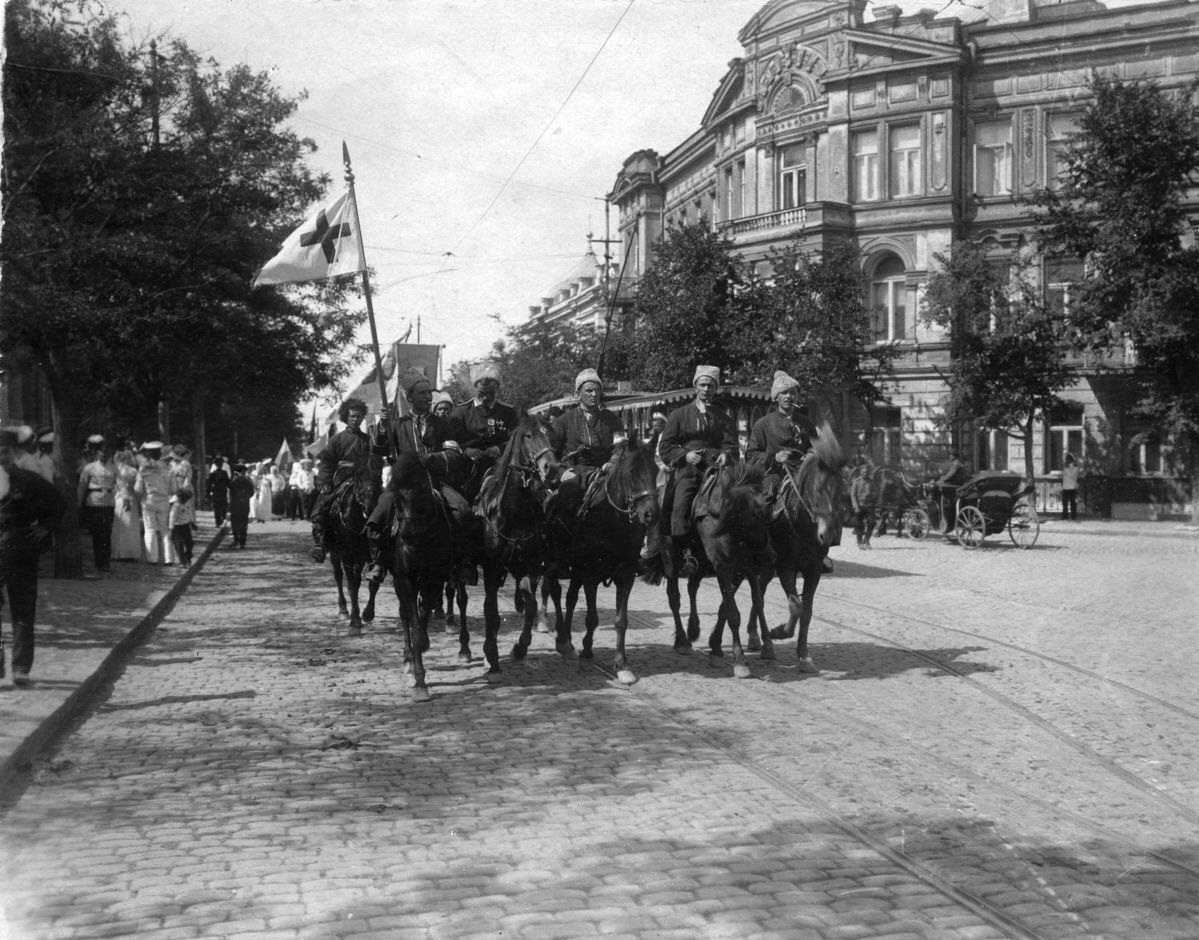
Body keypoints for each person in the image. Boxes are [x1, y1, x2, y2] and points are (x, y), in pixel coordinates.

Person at [363, 369, 471, 584]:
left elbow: (453, 453)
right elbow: (379, 451)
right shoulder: (397, 424)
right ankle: (379, 562)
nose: (427, 397)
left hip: (434, 482)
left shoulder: (443, 424)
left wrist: (432, 459)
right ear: (409, 397)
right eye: (422, 393)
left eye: (428, 393)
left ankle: (460, 564)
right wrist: (384, 430)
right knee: (377, 516)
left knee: (463, 510)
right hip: (403, 485)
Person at [656, 364, 739, 577]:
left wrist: (726, 454)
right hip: (689, 469)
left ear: (716, 388)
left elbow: (731, 444)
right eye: (702, 385)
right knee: (680, 504)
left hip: (717, 469)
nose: (706, 389)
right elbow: (665, 446)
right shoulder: (679, 415)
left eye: (710, 386)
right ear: (695, 386)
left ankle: (738, 552)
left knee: (740, 502)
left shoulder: (723, 416)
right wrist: (685, 456)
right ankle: (683, 553)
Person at [0, 426, 61, 688]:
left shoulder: (27, 480)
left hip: (20, 551)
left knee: (23, 610)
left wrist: (44, 528)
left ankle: (21, 668)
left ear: (13, 452)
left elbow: (58, 502)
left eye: (3, 452)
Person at [309, 397, 379, 563]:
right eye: (353, 416)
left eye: (359, 417)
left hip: (363, 480)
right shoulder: (337, 440)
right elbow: (327, 464)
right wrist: (324, 483)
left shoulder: (368, 440)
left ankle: (380, 548)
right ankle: (320, 543)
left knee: (381, 506)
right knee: (321, 506)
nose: (356, 419)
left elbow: (375, 462)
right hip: (342, 479)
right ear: (346, 417)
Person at [448, 361, 519, 499]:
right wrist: (466, 450)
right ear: (475, 388)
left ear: (497, 389)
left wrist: (499, 449)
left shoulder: (509, 412)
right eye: (482, 392)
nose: (485, 397)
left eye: (490, 392)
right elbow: (452, 440)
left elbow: (515, 438)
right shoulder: (461, 412)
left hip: (502, 465)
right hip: (469, 467)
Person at [746, 371, 818, 497]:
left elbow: (816, 446)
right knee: (766, 501)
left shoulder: (806, 422)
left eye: (792, 392)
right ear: (776, 397)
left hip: (804, 473)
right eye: (784, 393)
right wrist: (774, 457)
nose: (788, 396)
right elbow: (751, 455)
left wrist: (811, 455)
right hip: (774, 474)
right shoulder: (763, 424)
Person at [77, 434, 117, 573]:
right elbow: (82, 486)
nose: (104, 454)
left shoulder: (114, 468)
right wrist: (79, 503)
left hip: (109, 502)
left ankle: (105, 562)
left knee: (107, 533)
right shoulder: (89, 468)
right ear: (96, 453)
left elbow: (118, 485)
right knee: (97, 533)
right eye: (101, 451)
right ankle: (98, 561)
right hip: (94, 502)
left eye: (106, 452)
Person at [136, 441, 174, 565]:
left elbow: (138, 489)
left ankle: (153, 558)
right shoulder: (167, 467)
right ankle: (169, 559)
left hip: (148, 500)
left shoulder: (143, 468)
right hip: (164, 500)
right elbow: (173, 488)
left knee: (150, 529)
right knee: (165, 530)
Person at [111, 446, 143, 562]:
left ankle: (117, 552)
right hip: (131, 498)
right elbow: (138, 489)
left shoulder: (115, 470)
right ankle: (129, 553)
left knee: (119, 524)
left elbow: (113, 486)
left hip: (119, 498)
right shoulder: (133, 471)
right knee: (130, 526)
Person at [849, 456, 878, 549]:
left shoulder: (872, 482)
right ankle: (859, 542)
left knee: (872, 522)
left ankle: (867, 540)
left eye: (866, 472)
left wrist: (873, 496)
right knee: (858, 524)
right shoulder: (856, 482)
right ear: (861, 472)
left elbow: (875, 492)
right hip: (859, 506)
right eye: (863, 472)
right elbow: (853, 495)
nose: (865, 473)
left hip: (869, 505)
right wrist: (855, 506)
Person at [228, 464, 255, 549]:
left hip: (235, 505)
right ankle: (242, 542)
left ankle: (236, 540)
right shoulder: (248, 481)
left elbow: (230, 493)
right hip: (244, 504)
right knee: (243, 523)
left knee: (235, 523)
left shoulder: (234, 481)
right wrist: (245, 498)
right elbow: (252, 492)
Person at [168, 486, 197, 565]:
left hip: (186, 525)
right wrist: (171, 530)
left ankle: (188, 555)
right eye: (185, 499)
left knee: (190, 542)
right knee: (179, 545)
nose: (186, 501)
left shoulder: (187, 504)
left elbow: (189, 513)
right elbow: (172, 518)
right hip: (177, 527)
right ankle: (182, 560)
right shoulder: (176, 506)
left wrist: (191, 522)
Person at [207, 456, 230, 527]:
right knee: (218, 508)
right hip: (217, 493)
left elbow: (228, 483)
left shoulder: (224, 473)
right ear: (217, 465)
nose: (220, 465)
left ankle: (220, 521)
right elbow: (209, 484)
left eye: (221, 464)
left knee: (221, 508)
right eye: (219, 464)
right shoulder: (213, 474)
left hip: (221, 492)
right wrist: (208, 493)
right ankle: (218, 522)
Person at [1061, 453, 1080, 521]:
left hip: (1072, 487)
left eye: (1067, 460)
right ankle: (1065, 516)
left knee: (1073, 503)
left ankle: (1073, 516)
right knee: (1065, 503)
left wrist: (1066, 468)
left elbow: (1071, 475)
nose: (1066, 461)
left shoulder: (1075, 468)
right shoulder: (1065, 468)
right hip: (1065, 487)